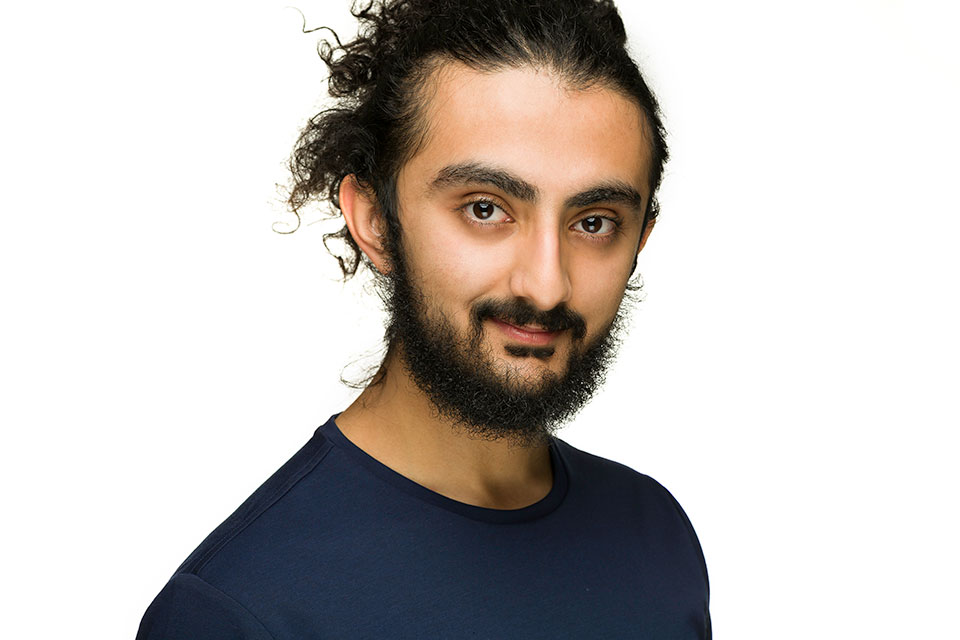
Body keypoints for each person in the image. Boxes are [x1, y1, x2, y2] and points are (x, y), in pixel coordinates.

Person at [137, 0, 710, 637]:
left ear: (640, 241)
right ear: (376, 222)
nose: (546, 285)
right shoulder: (237, 611)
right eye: (486, 210)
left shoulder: (656, 537)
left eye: (594, 222)